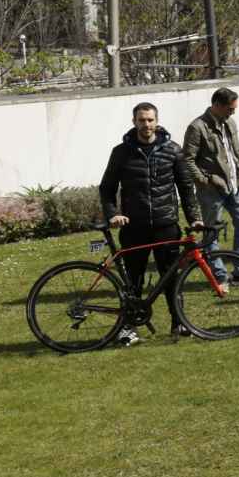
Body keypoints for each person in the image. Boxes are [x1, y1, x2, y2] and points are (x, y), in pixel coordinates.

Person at [100, 103, 205, 343]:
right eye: (141, 120)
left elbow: (186, 188)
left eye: (149, 120)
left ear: (157, 121)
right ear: (134, 122)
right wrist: (113, 214)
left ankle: (179, 323)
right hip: (133, 226)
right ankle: (128, 328)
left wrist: (195, 218)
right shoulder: (121, 152)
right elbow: (106, 189)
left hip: (165, 223)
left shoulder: (173, 150)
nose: (146, 125)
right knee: (132, 280)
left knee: (171, 278)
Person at [183, 87, 239, 283]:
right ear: (217, 105)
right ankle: (219, 275)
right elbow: (187, 159)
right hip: (212, 190)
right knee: (211, 232)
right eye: (230, 108)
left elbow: (235, 152)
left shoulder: (230, 123)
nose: (233, 112)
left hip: (235, 185)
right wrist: (205, 180)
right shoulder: (197, 127)